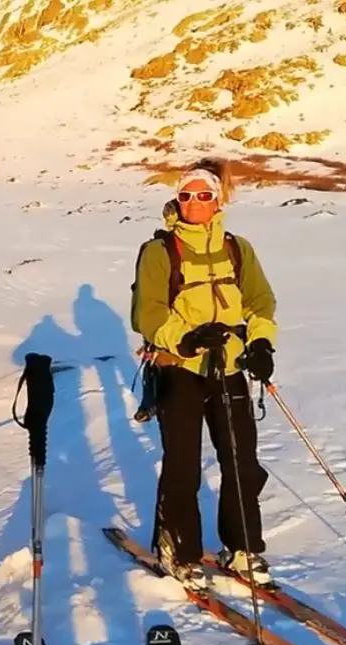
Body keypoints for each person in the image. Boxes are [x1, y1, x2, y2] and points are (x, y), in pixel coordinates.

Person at [131, 158, 277, 592]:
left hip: (229, 366)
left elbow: (259, 302)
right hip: (181, 368)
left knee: (241, 462)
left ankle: (243, 548)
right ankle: (179, 548)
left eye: (204, 195)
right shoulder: (159, 252)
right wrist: (188, 339)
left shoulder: (237, 248)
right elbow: (148, 313)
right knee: (183, 466)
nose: (194, 202)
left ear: (218, 200)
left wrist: (261, 344)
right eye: (186, 195)